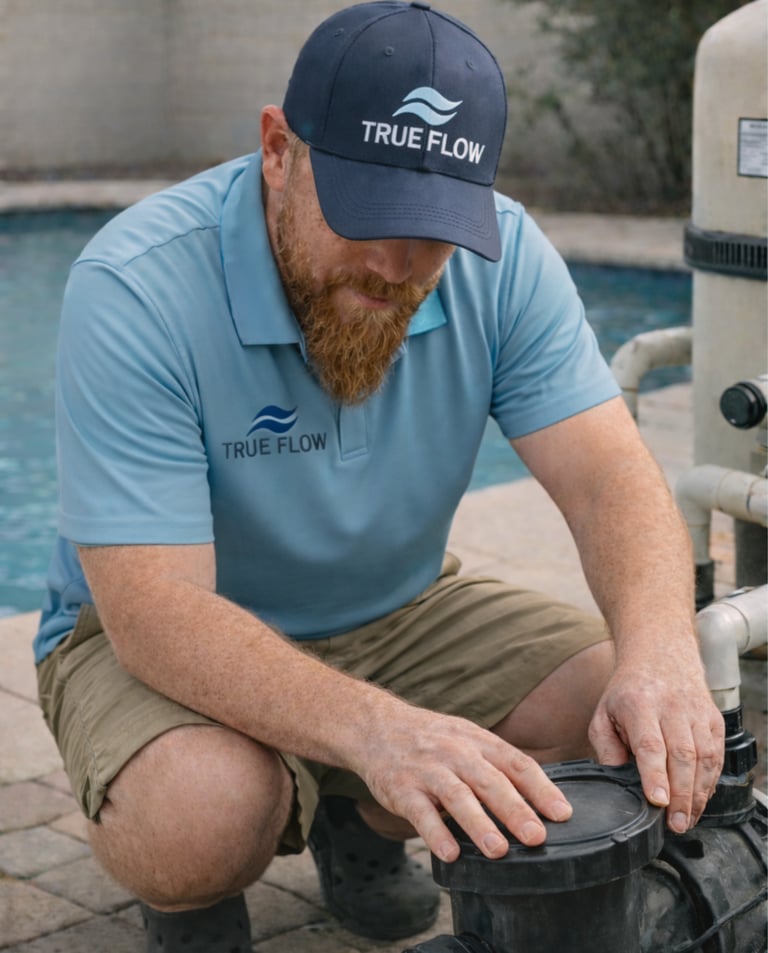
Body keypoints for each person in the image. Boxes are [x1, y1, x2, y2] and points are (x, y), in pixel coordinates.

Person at [34, 2, 724, 950]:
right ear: (278, 152)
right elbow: (156, 610)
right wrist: (380, 732)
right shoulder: (136, 284)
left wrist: (662, 654)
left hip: (399, 608)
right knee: (202, 812)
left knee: (612, 706)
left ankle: (353, 819)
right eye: (366, 214)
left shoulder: (503, 254)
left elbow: (610, 474)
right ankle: (194, 903)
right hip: (157, 637)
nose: (396, 265)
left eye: (431, 229)